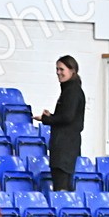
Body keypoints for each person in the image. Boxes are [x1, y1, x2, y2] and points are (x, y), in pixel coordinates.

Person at [35, 55, 86, 192]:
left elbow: (67, 117)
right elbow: (67, 116)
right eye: (57, 69)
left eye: (61, 69)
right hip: (67, 145)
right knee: (64, 185)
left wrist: (46, 119)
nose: (58, 72)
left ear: (72, 70)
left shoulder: (72, 91)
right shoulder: (71, 90)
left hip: (65, 146)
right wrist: (51, 117)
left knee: (61, 186)